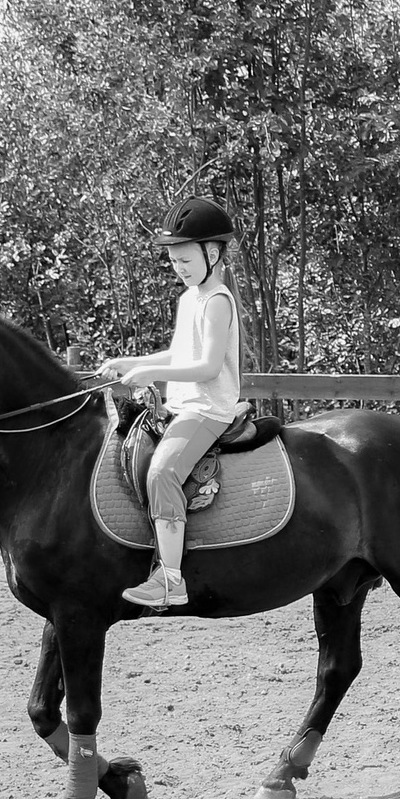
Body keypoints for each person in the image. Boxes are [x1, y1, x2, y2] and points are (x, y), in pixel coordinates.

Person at [100, 197, 246, 610]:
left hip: (207, 409)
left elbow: (207, 366)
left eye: (185, 259)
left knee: (163, 472)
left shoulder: (218, 299)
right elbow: (180, 355)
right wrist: (135, 362)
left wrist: (151, 376)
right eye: (174, 261)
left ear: (212, 253)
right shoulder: (190, 299)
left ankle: (170, 579)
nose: (178, 268)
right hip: (183, 407)